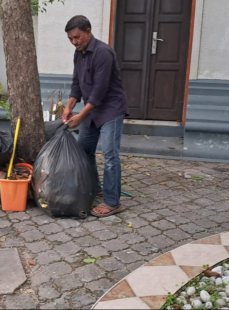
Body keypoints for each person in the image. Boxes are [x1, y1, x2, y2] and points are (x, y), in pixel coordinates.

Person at [62, 15, 128, 218]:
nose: (74, 42)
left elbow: (99, 92)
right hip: (92, 111)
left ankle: (112, 201)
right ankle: (95, 188)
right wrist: (68, 107)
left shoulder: (103, 53)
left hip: (110, 110)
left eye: (77, 37)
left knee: (110, 155)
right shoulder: (78, 54)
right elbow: (77, 84)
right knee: (84, 151)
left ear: (88, 31)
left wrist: (80, 116)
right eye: (70, 39)